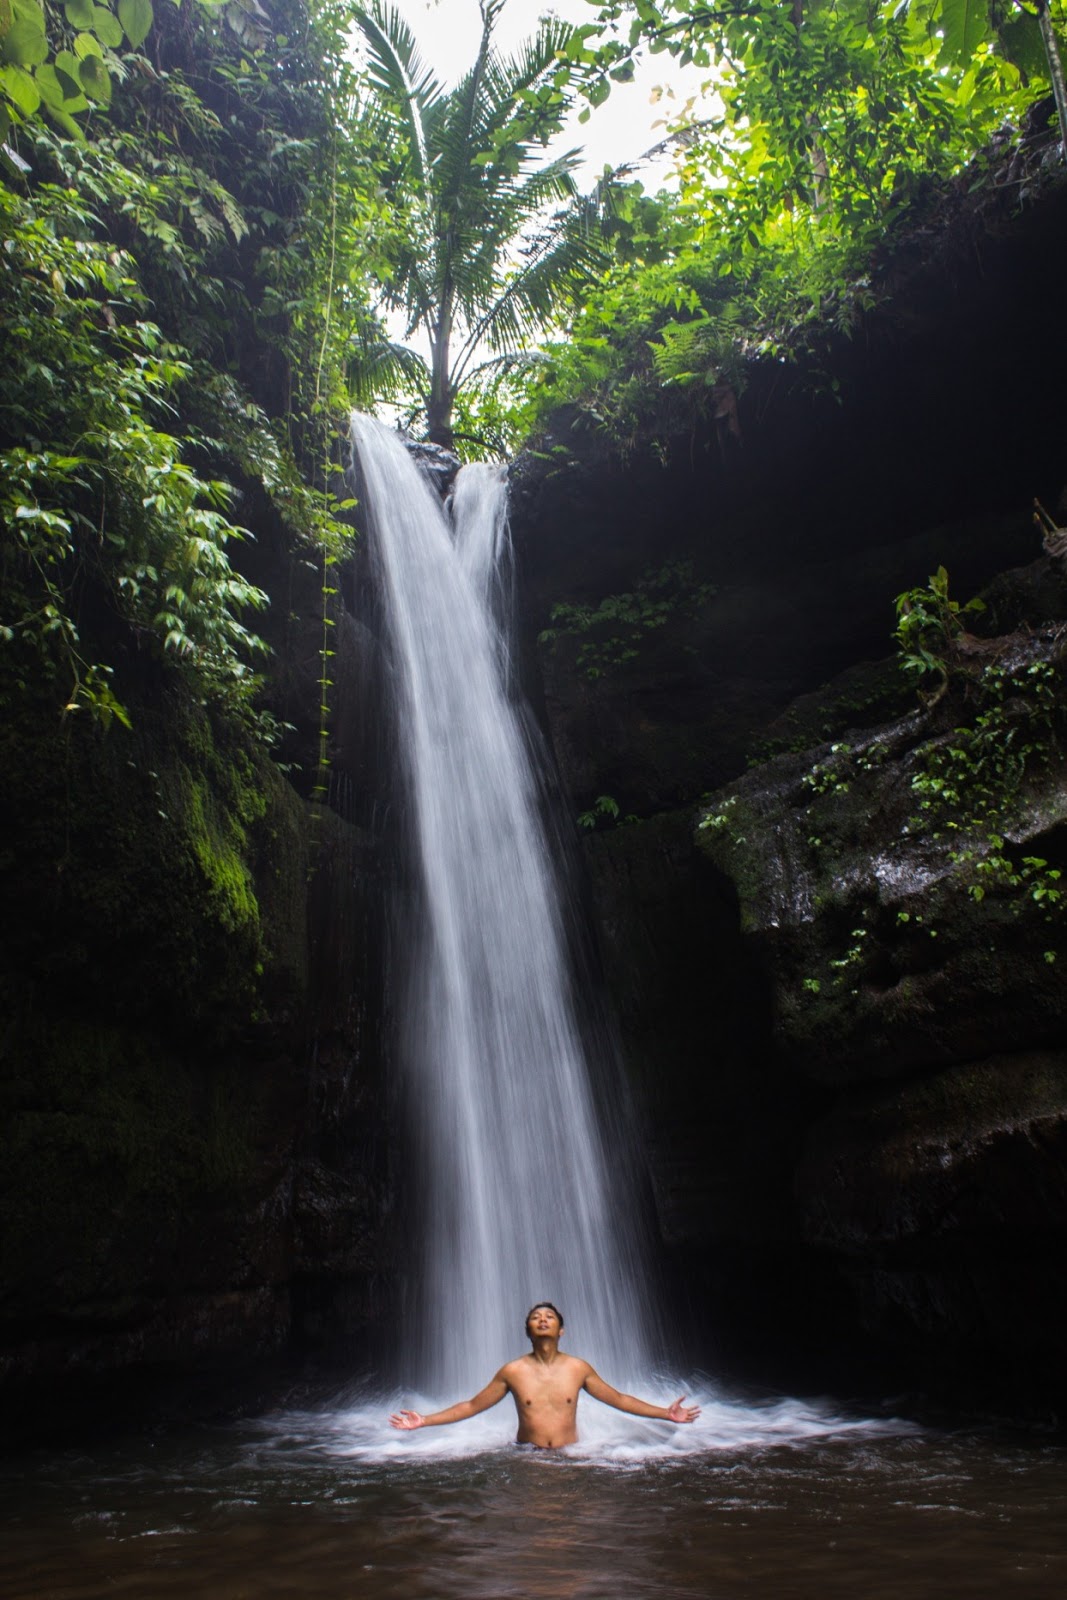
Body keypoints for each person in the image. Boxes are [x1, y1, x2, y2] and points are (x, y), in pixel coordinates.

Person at [389, 1302, 701, 1449]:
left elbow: (618, 1398)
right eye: (536, 1317)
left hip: (572, 1457)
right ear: (528, 1330)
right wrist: (425, 1421)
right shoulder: (512, 1371)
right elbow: (472, 1406)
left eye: (549, 1317)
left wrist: (665, 1414)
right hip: (528, 1459)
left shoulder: (578, 1368)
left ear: (560, 1330)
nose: (542, 1320)